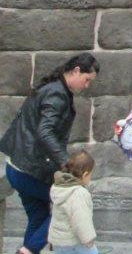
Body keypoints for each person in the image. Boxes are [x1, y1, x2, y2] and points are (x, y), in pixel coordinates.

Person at [0, 52, 100, 254]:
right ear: (76, 71)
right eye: (87, 80)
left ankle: (27, 250)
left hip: (18, 166)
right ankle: (26, 251)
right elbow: (45, 132)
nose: (87, 86)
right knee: (67, 205)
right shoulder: (57, 94)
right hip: (28, 170)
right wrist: (66, 164)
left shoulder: (53, 88)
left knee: (38, 219)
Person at [48, 149, 98, 254]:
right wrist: (88, 239)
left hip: (58, 242)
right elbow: (81, 220)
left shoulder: (59, 187)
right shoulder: (79, 193)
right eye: (90, 175)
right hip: (75, 243)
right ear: (85, 175)